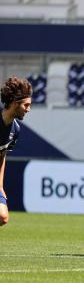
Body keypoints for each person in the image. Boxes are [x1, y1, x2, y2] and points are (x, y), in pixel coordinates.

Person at [0, 76, 32, 226]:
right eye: (26, 105)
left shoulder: (16, 129)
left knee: (3, 217)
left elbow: (2, 156)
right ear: (14, 103)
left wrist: (0, 186)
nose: (28, 109)